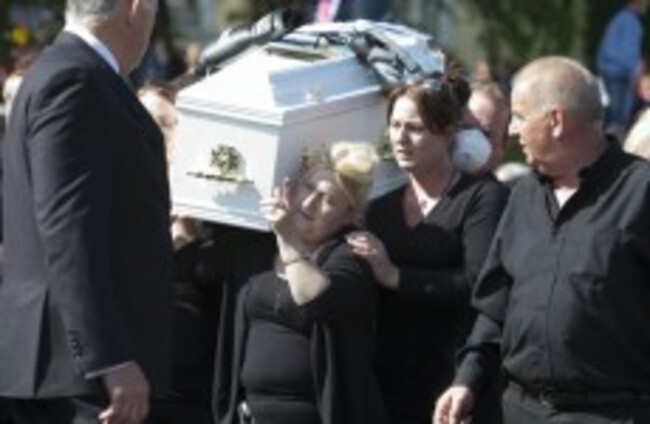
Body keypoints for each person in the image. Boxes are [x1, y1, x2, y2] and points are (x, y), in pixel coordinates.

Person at [435, 56, 650, 424]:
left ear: (555, 121)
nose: (512, 131)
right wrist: (467, 381)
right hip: (518, 409)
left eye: (519, 116)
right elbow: (495, 306)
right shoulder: (523, 195)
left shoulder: (641, 192)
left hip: (612, 413)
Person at [0, 0, 174, 423]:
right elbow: (68, 231)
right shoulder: (76, 80)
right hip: (83, 379)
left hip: (71, 370)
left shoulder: (67, 72)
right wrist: (108, 357)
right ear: (134, 10)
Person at [347, 73, 509, 424]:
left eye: (416, 128)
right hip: (386, 386)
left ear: (449, 133)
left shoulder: (482, 198)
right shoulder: (379, 208)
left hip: (452, 387)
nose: (400, 138)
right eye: (395, 125)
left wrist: (395, 276)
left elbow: (479, 286)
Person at [214, 141, 389, 424]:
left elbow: (317, 300)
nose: (309, 204)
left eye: (328, 199)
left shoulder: (350, 257)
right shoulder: (257, 247)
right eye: (308, 188)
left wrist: (288, 239)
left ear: (350, 215)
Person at [596, 0, 648, 131]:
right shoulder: (630, 22)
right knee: (619, 117)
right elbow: (629, 52)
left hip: (613, 71)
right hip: (620, 74)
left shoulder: (620, 19)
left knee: (616, 114)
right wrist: (635, 70)